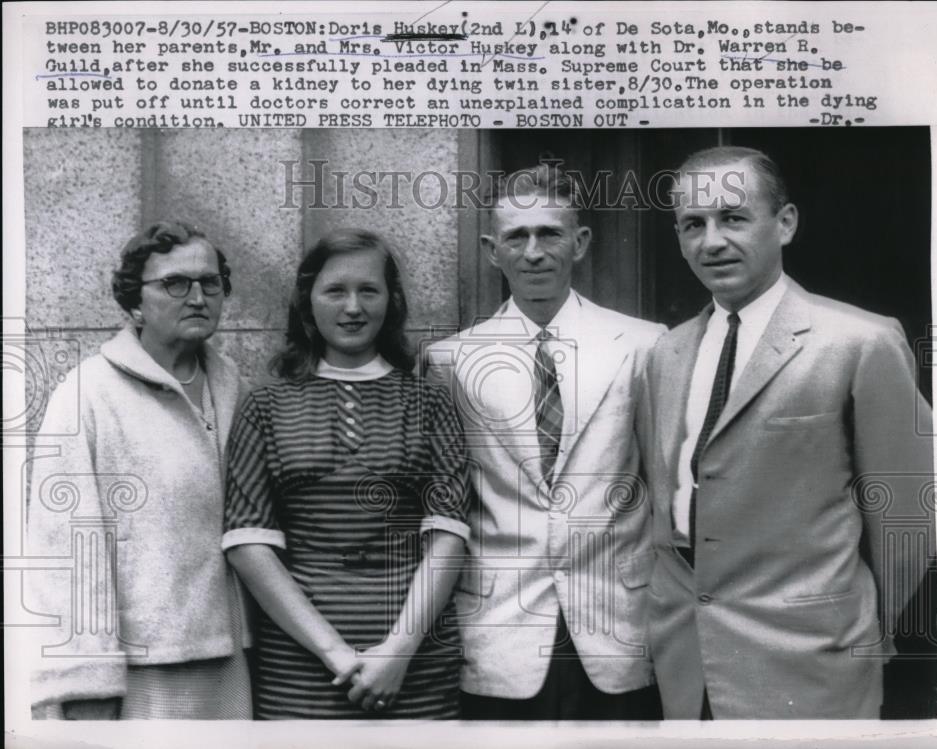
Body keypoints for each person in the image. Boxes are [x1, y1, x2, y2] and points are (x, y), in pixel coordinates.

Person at [637, 146, 935, 719]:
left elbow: (908, 515)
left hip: (814, 661)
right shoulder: (666, 353)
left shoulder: (859, 342)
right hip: (688, 661)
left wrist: (860, 624)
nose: (712, 241)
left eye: (733, 218)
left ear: (786, 223)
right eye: (692, 225)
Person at [424, 163, 667, 720]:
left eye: (550, 233)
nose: (534, 252)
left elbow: (660, 482)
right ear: (492, 250)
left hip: (616, 626)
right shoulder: (451, 360)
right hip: (499, 631)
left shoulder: (642, 345)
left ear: (579, 243)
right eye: (517, 236)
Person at [223, 229, 469, 719]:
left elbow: (449, 535)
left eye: (369, 290)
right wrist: (334, 653)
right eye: (335, 290)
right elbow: (249, 545)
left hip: (415, 666)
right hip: (301, 671)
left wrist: (397, 653)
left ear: (391, 300)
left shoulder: (429, 400)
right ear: (307, 299)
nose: (353, 307)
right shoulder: (266, 404)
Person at [27, 220, 252, 720]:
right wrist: (86, 680)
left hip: (231, 657)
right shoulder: (87, 393)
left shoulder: (231, 383)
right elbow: (65, 546)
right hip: (142, 670)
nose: (197, 296)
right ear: (134, 301)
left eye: (209, 283)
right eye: (175, 283)